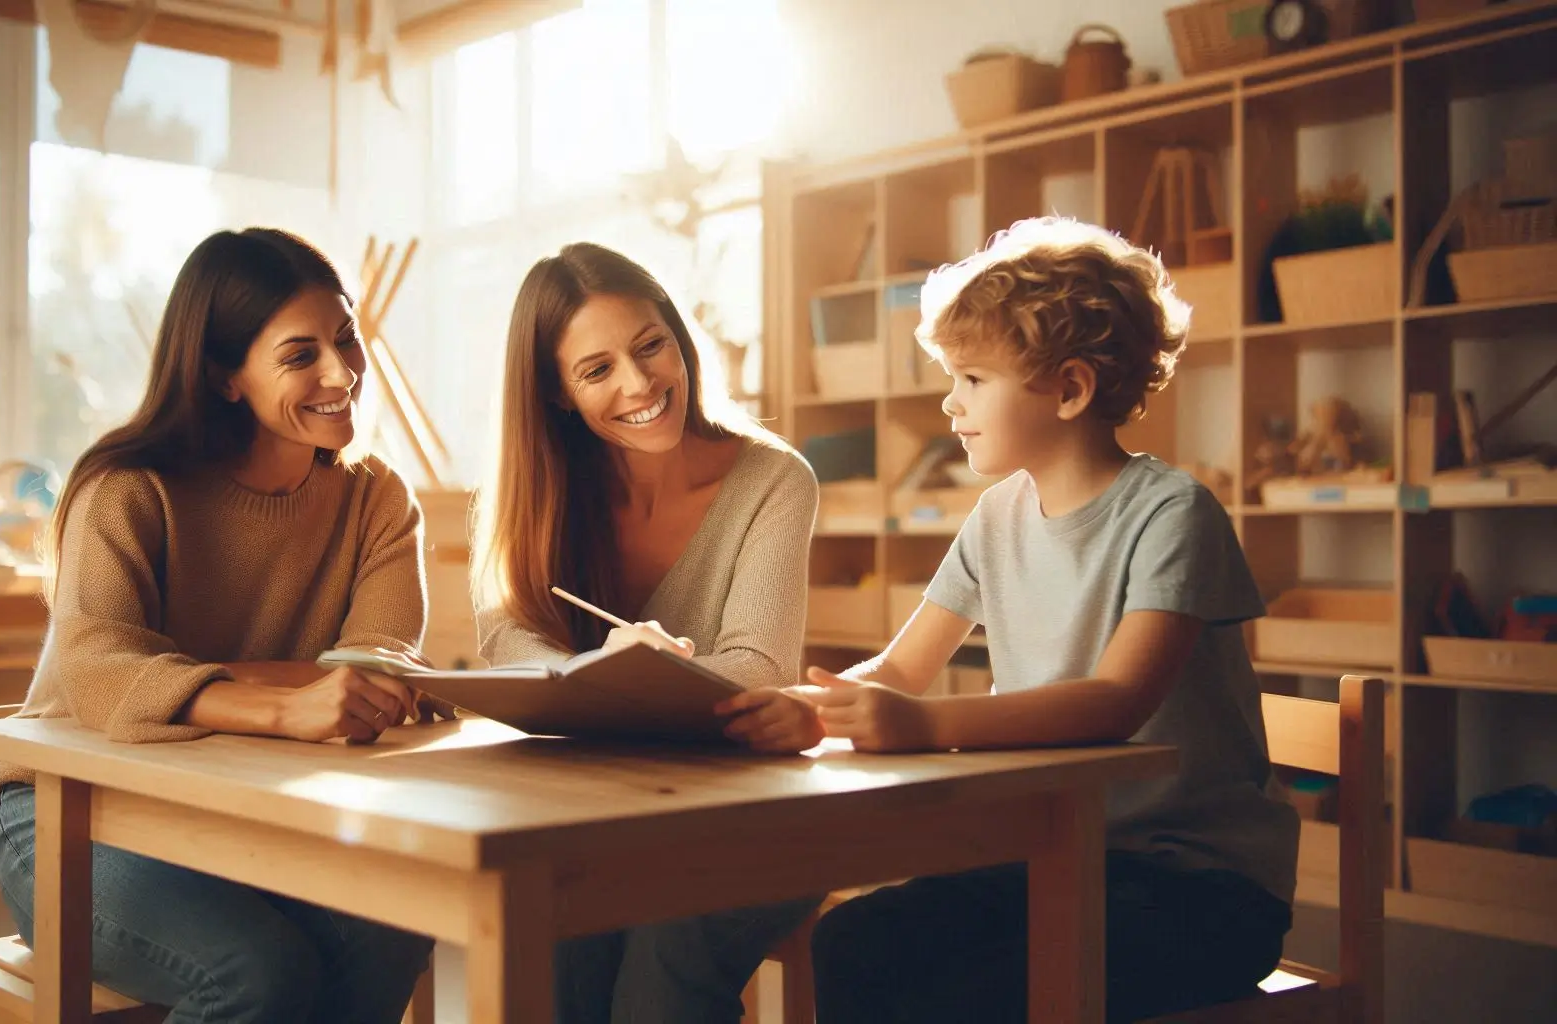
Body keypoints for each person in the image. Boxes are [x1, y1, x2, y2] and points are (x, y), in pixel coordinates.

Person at [801, 217, 1298, 1023]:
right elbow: (898, 671)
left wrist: (925, 726)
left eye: (971, 378)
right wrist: (805, 707)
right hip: (1055, 856)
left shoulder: (1174, 514)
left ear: (1069, 389)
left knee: (967, 998)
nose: (948, 402)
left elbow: (1117, 701)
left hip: (1201, 888)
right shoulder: (996, 516)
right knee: (850, 942)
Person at [0, 228, 440, 1024]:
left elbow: (378, 671)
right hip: (67, 814)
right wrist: (285, 703)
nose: (342, 373)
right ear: (227, 377)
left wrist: (200, 684)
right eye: (301, 356)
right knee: (256, 973)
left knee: (394, 924)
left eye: (346, 340)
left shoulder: (378, 500)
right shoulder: (128, 488)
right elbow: (97, 672)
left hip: (249, 811)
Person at [473, 241, 824, 1022]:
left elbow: (759, 668)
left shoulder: (773, 479)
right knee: (555, 955)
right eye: (596, 371)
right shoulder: (535, 493)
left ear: (677, 335)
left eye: (650, 346)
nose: (639, 385)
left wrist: (625, 682)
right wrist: (607, 667)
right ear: (557, 393)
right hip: (593, 816)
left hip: (753, 819)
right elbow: (506, 639)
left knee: (658, 981)